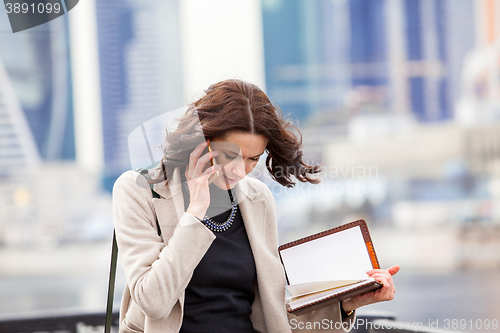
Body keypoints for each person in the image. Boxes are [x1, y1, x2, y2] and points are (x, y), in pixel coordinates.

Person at [113, 79, 399, 333]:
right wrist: (196, 212)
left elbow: (272, 315)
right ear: (202, 142)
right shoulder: (139, 190)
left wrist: (345, 303)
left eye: (253, 159)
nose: (240, 170)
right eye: (229, 155)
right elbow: (153, 301)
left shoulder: (257, 198)